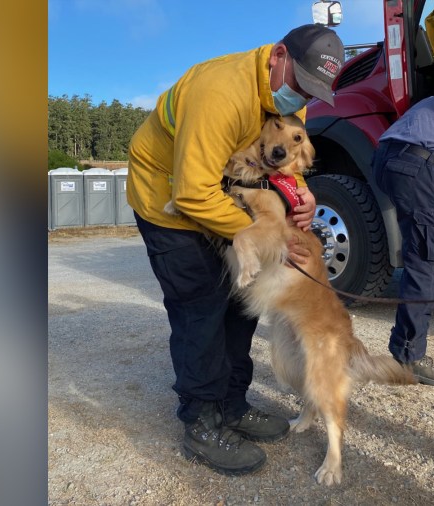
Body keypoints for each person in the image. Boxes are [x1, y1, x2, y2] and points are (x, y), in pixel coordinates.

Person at [126, 25, 345, 475]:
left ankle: (233, 405)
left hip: (222, 199)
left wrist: (302, 196)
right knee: (201, 307)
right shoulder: (221, 92)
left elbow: (283, 155)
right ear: (278, 55)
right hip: (170, 202)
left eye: (312, 91)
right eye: (300, 83)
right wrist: (271, 237)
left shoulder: (287, 96)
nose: (301, 97)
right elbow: (191, 193)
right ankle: (202, 422)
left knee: (239, 309)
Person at [371, 94, 434, 387]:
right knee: (429, 259)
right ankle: (409, 356)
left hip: (388, 158)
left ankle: (407, 350)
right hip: (416, 163)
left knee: (427, 245)